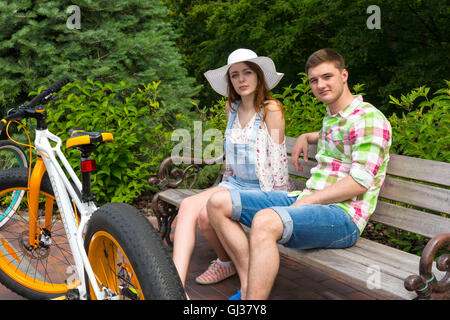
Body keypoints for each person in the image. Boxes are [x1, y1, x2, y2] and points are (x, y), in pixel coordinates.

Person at [207, 48, 392, 300]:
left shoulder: (369, 119)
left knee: (264, 221)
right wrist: (308, 136)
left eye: (327, 76)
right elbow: (340, 137)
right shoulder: (333, 118)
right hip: (308, 201)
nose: (320, 85)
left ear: (344, 75)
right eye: (314, 80)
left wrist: (309, 200)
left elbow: (360, 182)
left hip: (343, 217)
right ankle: (249, 284)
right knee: (218, 202)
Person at [172, 48, 290, 291]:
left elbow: (278, 161)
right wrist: (222, 186)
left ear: (259, 76)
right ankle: (174, 288)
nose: (241, 80)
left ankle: (241, 274)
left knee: (207, 214)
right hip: (234, 184)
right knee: (190, 208)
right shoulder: (232, 109)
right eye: (235, 75)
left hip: (263, 188)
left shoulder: (271, 110)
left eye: (247, 72)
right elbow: (232, 156)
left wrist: (280, 202)